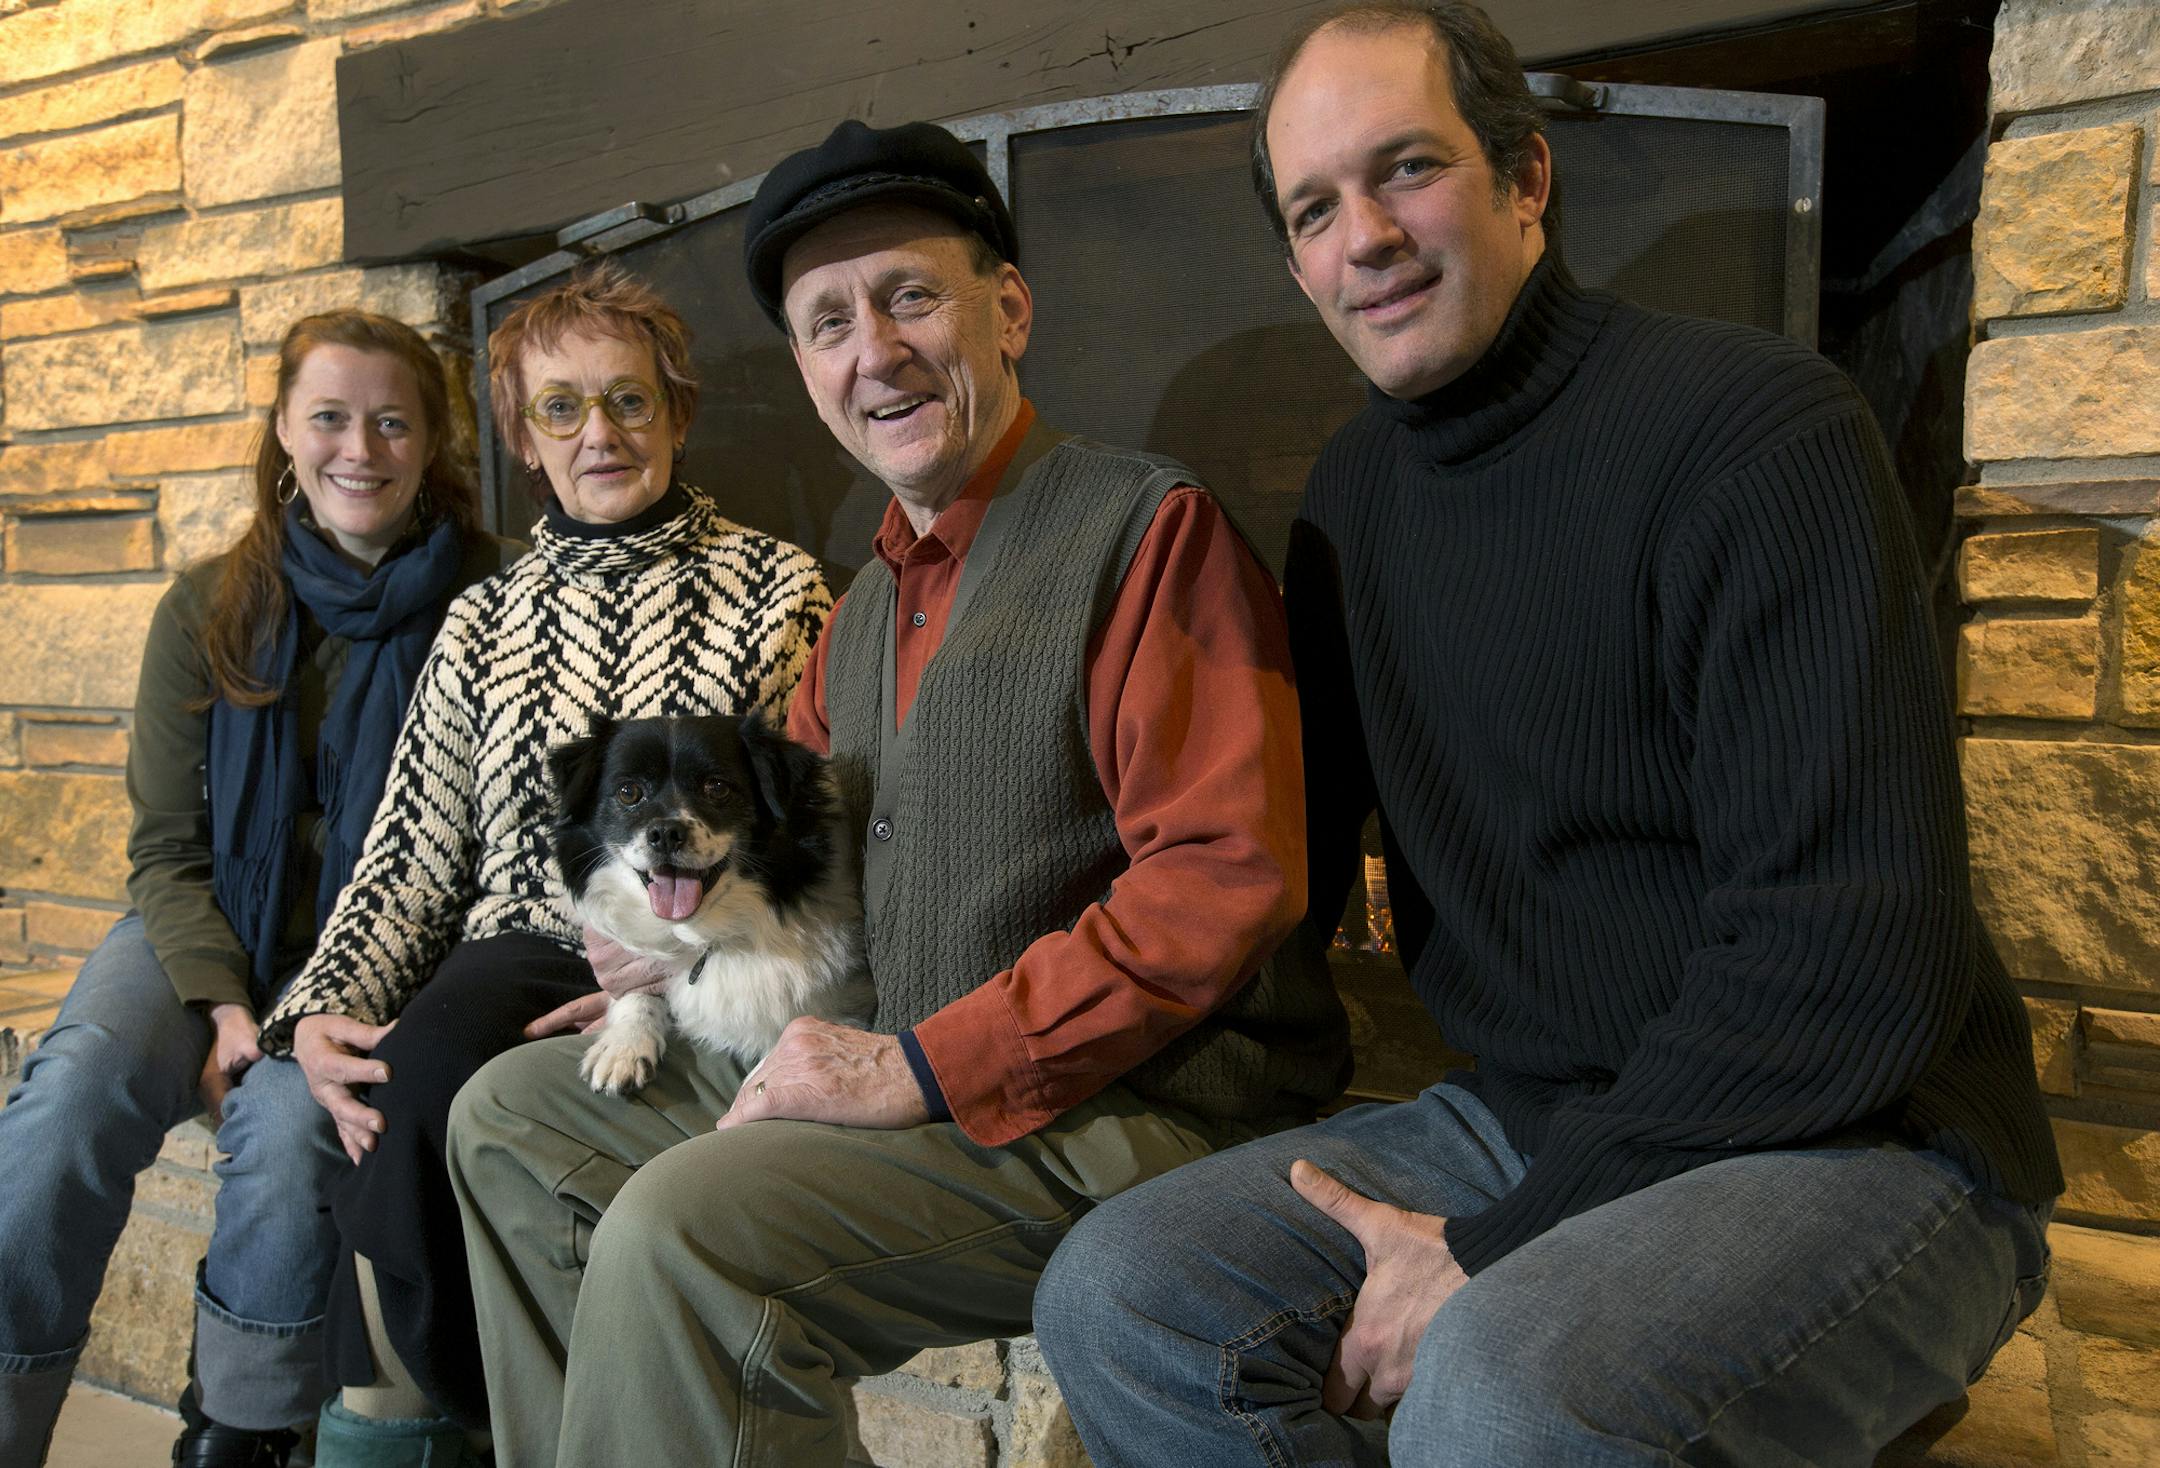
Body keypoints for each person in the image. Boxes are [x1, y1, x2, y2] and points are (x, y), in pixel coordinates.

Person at [1034, 5, 2066, 1465]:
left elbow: (1852, 954)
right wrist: (1005, 1055)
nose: (1364, 239)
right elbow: (1281, 872)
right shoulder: (1350, 500)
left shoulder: (1759, 434)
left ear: (1528, 178)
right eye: (1316, 209)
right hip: (1531, 1115)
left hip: (1866, 1136)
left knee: (1509, 1391)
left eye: (1407, 171)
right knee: (1122, 1295)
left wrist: (1501, 1243)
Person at [444, 117, 1351, 1468]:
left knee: (684, 1233)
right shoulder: (862, 611)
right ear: (809, 371)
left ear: (1010, 310)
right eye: (827, 323)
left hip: (1127, 1112)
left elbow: (1221, 879)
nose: (874, 351)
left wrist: (922, 1064)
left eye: (909, 296)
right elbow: (787, 859)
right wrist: (663, 955)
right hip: (906, 1069)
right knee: (505, 1120)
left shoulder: (1147, 532)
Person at [252, 261, 832, 1466]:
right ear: (524, 437)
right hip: (524, 940)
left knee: (432, 1111)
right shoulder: (484, 617)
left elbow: (819, 832)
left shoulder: (780, 589)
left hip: (717, 942)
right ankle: (468, 1421)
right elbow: (411, 847)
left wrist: (665, 959)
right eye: (560, 407)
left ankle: (479, 1428)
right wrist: (321, 1011)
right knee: (397, 1092)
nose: (599, 432)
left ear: (678, 413)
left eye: (629, 399)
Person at [0, 310, 515, 1468]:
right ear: (283, 430)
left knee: (291, 1125)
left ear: (434, 441)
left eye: (393, 421)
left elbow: (489, 854)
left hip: (386, 950)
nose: (360, 448)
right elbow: (168, 849)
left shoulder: (488, 601)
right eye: (329, 416)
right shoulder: (206, 606)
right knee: (73, 1092)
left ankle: (240, 1430)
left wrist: (296, 1023)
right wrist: (229, 1006)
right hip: (210, 925)